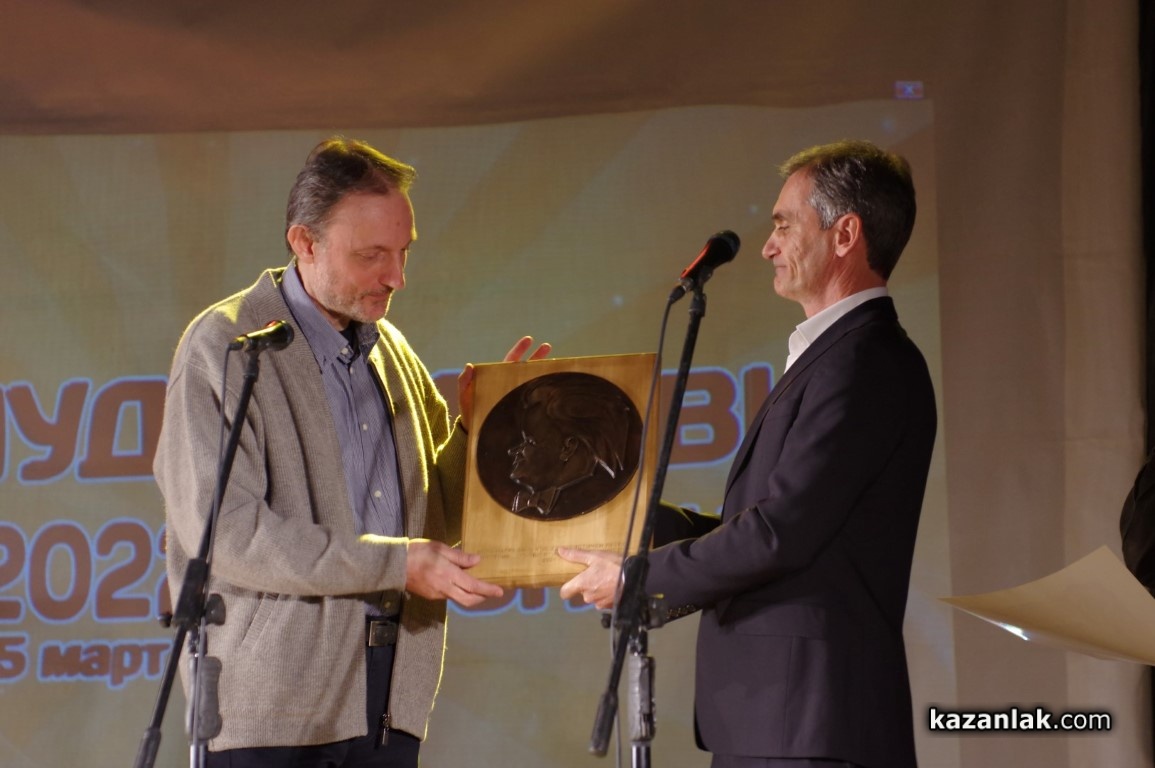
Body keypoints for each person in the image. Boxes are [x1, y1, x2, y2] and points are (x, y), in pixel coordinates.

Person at [154, 136, 547, 767]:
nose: (396, 277)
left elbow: (437, 513)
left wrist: (481, 430)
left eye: (403, 251)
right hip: (273, 710)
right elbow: (226, 534)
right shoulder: (226, 346)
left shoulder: (393, 352)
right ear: (304, 243)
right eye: (372, 255)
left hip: (390, 696)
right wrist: (396, 565)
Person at [559, 139, 937, 768]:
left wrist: (637, 578)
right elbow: (777, 526)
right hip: (780, 721)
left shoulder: (864, 361)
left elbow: (781, 532)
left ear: (845, 234)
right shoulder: (837, 356)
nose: (767, 246)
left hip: (809, 723)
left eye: (784, 225)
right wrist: (635, 523)